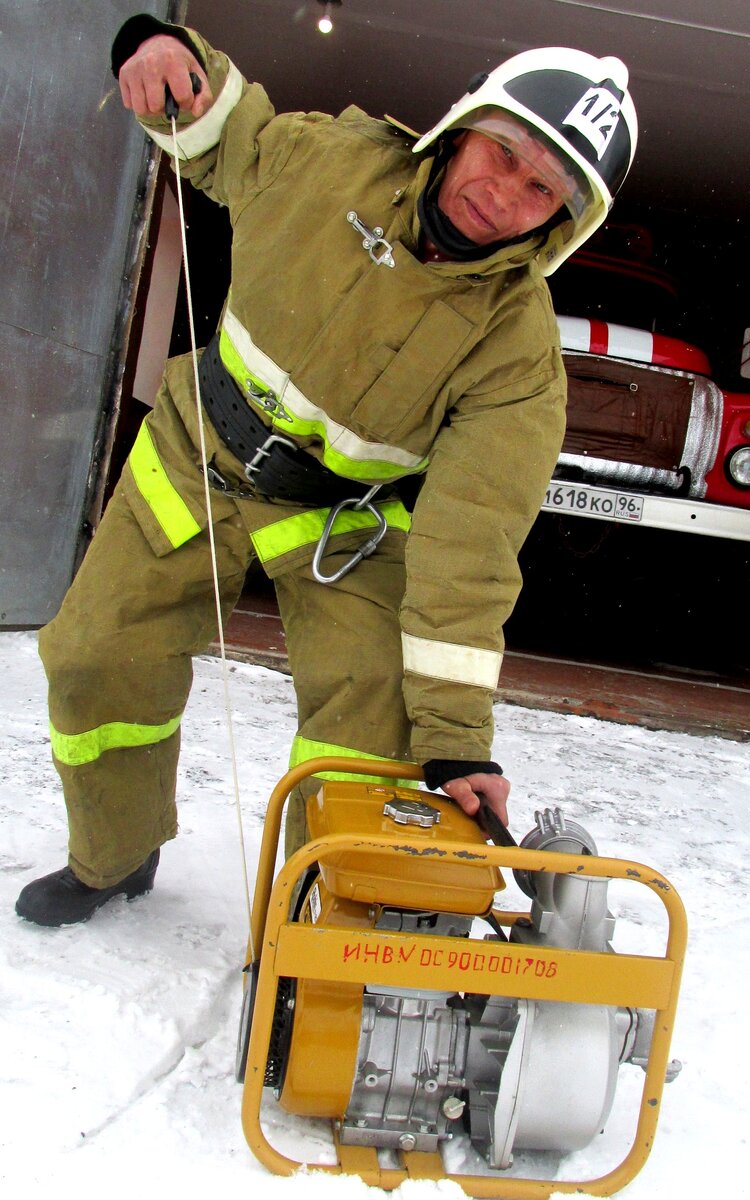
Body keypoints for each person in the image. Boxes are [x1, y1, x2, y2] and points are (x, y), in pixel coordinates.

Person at [15, 14, 637, 926]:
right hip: (194, 456)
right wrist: (161, 51)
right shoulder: (332, 161)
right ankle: (113, 853)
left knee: (373, 719)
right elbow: (226, 134)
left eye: (542, 190)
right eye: (504, 155)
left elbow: (467, 553)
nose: (505, 195)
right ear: (464, 128)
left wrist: (459, 744)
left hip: (340, 521)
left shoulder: (518, 360)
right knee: (92, 658)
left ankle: (331, 918)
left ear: (564, 225)